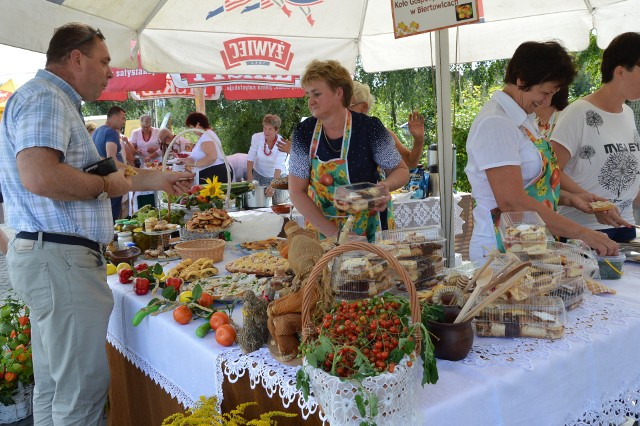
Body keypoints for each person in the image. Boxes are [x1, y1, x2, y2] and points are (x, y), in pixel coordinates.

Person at [0, 22, 194, 425]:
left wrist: (157, 178)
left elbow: (108, 171)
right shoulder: (47, 98)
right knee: (81, 394)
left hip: (49, 256)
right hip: (61, 259)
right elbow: (40, 175)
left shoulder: (51, 100)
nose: (110, 72)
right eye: (104, 61)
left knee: (56, 389)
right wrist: (105, 184)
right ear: (76, 59)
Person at [465, 40, 619, 262]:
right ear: (521, 80)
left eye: (553, 93)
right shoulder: (496, 122)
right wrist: (583, 233)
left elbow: (530, 187)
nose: (547, 101)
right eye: (545, 92)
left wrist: (569, 198)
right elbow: (511, 201)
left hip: (526, 242)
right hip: (499, 248)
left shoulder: (522, 118)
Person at [289, 59, 409, 242]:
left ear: (338, 92)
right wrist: (334, 234)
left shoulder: (369, 128)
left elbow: (401, 170)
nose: (310, 101)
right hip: (323, 229)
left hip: (370, 227)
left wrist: (386, 186)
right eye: (308, 95)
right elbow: (297, 191)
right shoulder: (304, 133)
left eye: (317, 94)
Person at [552, 32, 640, 242]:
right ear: (620, 71)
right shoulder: (578, 112)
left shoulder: (627, 113)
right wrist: (595, 204)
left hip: (626, 229)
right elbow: (550, 170)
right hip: (583, 234)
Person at [350, 81, 425, 169]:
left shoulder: (378, 133)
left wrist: (419, 139)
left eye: (345, 106)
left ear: (363, 108)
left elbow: (410, 163)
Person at [92, 105, 127, 220]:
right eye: (123, 118)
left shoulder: (97, 131)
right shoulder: (111, 133)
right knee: (115, 217)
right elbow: (111, 159)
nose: (124, 122)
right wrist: (128, 171)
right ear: (114, 117)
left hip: (102, 180)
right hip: (113, 180)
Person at [247, 114, 290, 204]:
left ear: (276, 130)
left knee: (280, 205)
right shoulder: (256, 137)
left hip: (278, 176)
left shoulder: (282, 143)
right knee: (259, 205)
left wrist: (273, 185)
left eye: (270, 129)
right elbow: (251, 157)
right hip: (259, 175)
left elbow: (279, 166)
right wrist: (249, 176)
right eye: (265, 128)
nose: (266, 131)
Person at [180, 112, 231, 183]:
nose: (192, 131)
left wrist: (193, 164)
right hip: (212, 173)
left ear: (198, 124)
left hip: (213, 174)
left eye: (192, 127)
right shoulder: (206, 135)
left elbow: (212, 157)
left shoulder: (207, 136)